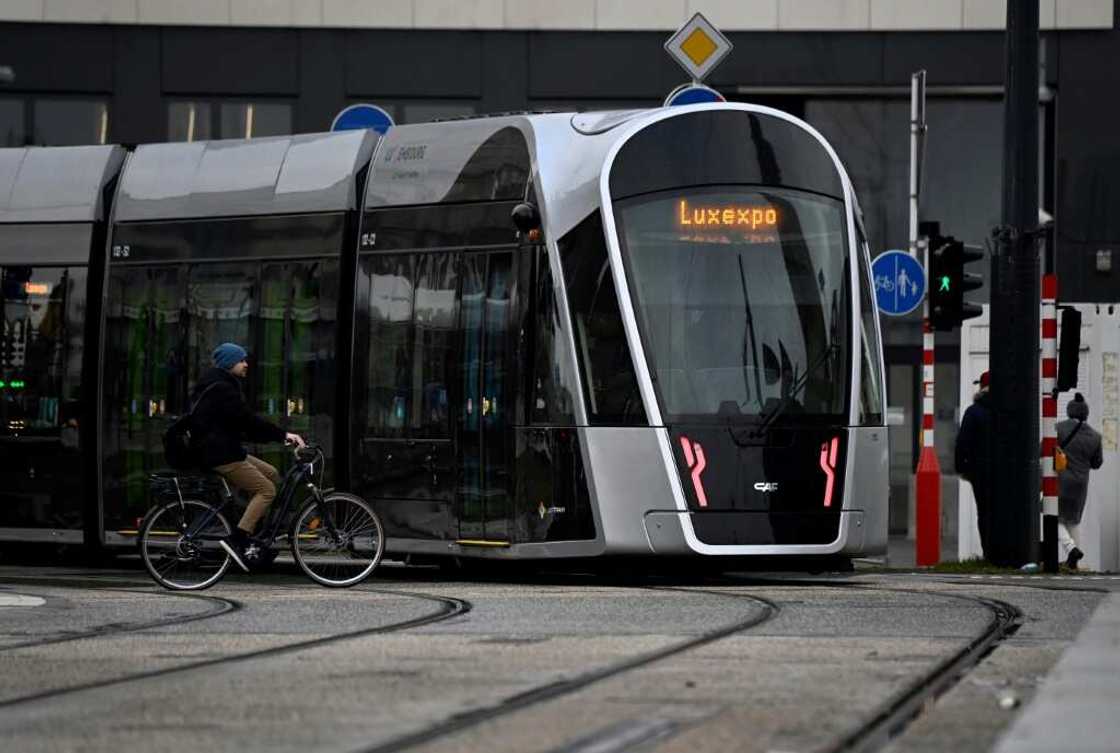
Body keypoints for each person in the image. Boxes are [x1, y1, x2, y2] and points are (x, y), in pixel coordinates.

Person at [190, 342, 304, 572]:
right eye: (241, 360)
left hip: (224, 449)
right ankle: (239, 539)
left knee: (272, 473)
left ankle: (255, 538)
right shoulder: (223, 388)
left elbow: (243, 425)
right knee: (267, 490)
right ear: (229, 363)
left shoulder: (220, 384)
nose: (246, 364)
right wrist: (283, 434)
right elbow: (248, 420)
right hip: (221, 454)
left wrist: (279, 438)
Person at [1055, 393, 1104, 570]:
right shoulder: (1095, 436)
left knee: (1052, 517)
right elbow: (1097, 463)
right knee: (1073, 521)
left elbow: (1042, 451)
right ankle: (1073, 564)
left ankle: (1071, 548)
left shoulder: (1059, 429)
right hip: (1080, 484)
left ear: (1069, 411)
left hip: (1060, 481)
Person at [955, 370, 994, 559]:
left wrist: (961, 468)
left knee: (984, 512)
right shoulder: (1006, 411)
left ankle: (988, 552)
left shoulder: (973, 412)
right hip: (1005, 471)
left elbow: (962, 443)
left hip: (979, 471)